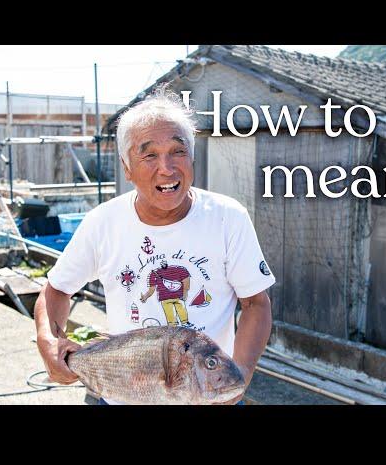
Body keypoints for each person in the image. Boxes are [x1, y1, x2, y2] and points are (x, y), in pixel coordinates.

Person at [34, 86, 275, 405]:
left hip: (208, 396)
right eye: (149, 154)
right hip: (122, 395)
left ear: (191, 157)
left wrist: (239, 375)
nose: (167, 168)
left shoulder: (227, 217)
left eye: (178, 151)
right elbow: (56, 290)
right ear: (126, 167)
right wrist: (48, 340)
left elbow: (256, 304)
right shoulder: (102, 222)